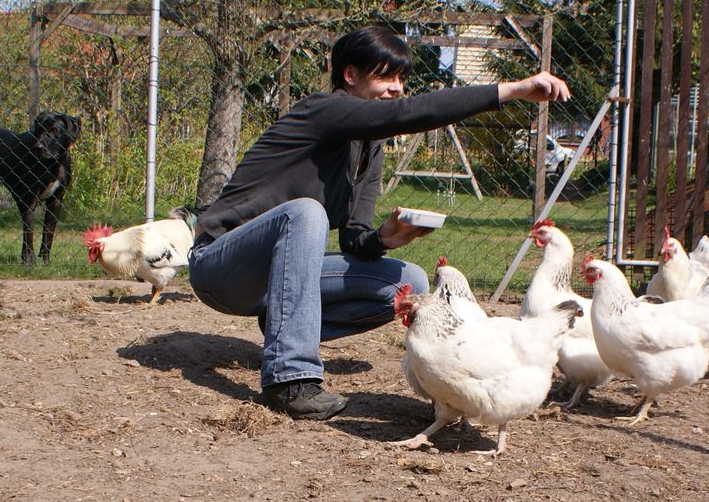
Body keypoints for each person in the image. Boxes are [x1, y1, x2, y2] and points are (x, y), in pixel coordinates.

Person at [188, 25, 570, 420]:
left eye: (401, 78)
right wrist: (512, 90)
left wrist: (385, 239)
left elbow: (354, 237)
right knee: (305, 212)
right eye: (385, 76)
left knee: (411, 281)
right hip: (221, 266)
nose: (396, 88)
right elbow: (410, 114)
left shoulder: (369, 148)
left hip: (279, 282)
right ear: (350, 75)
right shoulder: (321, 110)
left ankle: (283, 329)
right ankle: (289, 379)